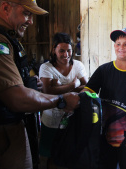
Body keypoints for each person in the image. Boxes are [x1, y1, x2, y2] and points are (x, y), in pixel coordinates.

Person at [0, 0, 79, 169]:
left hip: (17, 127)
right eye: (27, 13)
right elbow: (16, 99)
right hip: (4, 133)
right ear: (6, 8)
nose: (31, 22)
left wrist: (29, 85)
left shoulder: (11, 41)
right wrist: (61, 100)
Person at [83, 28, 126, 169]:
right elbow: (87, 93)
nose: (121, 47)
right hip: (105, 135)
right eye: (117, 44)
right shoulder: (104, 71)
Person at [38, 32, 88, 169]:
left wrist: (59, 87)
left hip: (73, 119)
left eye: (69, 50)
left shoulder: (78, 65)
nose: (66, 54)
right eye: (61, 51)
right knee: (52, 156)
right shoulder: (46, 68)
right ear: (54, 50)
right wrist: (72, 85)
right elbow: (47, 91)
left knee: (71, 154)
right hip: (52, 121)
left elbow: (87, 87)